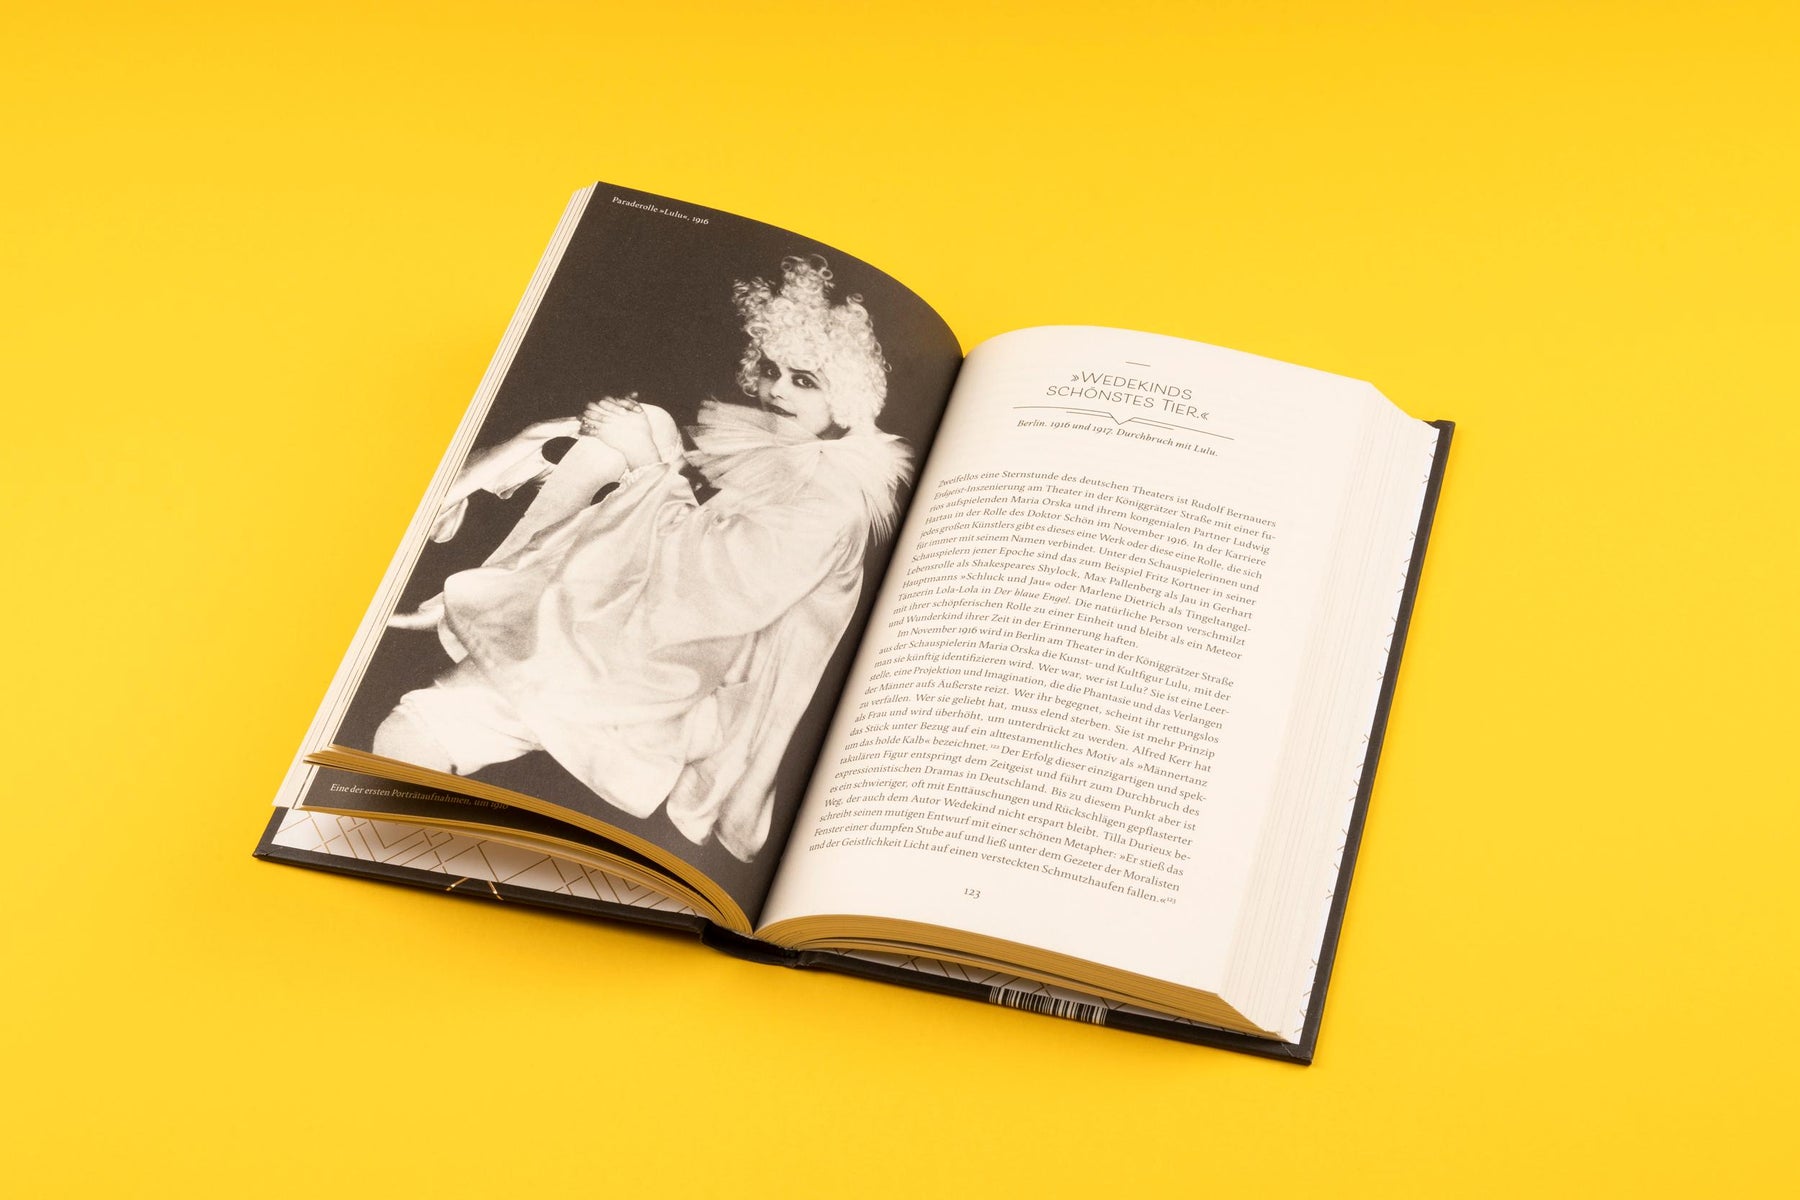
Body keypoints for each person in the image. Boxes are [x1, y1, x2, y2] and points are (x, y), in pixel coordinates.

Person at [372, 256, 911, 862]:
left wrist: (647, 464)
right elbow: (700, 522)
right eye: (770, 370)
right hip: (659, 626)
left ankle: (479, 607)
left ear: (847, 398)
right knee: (640, 425)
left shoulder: (830, 497)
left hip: (689, 667)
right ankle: (482, 577)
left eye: (804, 381)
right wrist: (642, 443)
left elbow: (712, 587)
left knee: (420, 725)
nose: (777, 390)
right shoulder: (787, 451)